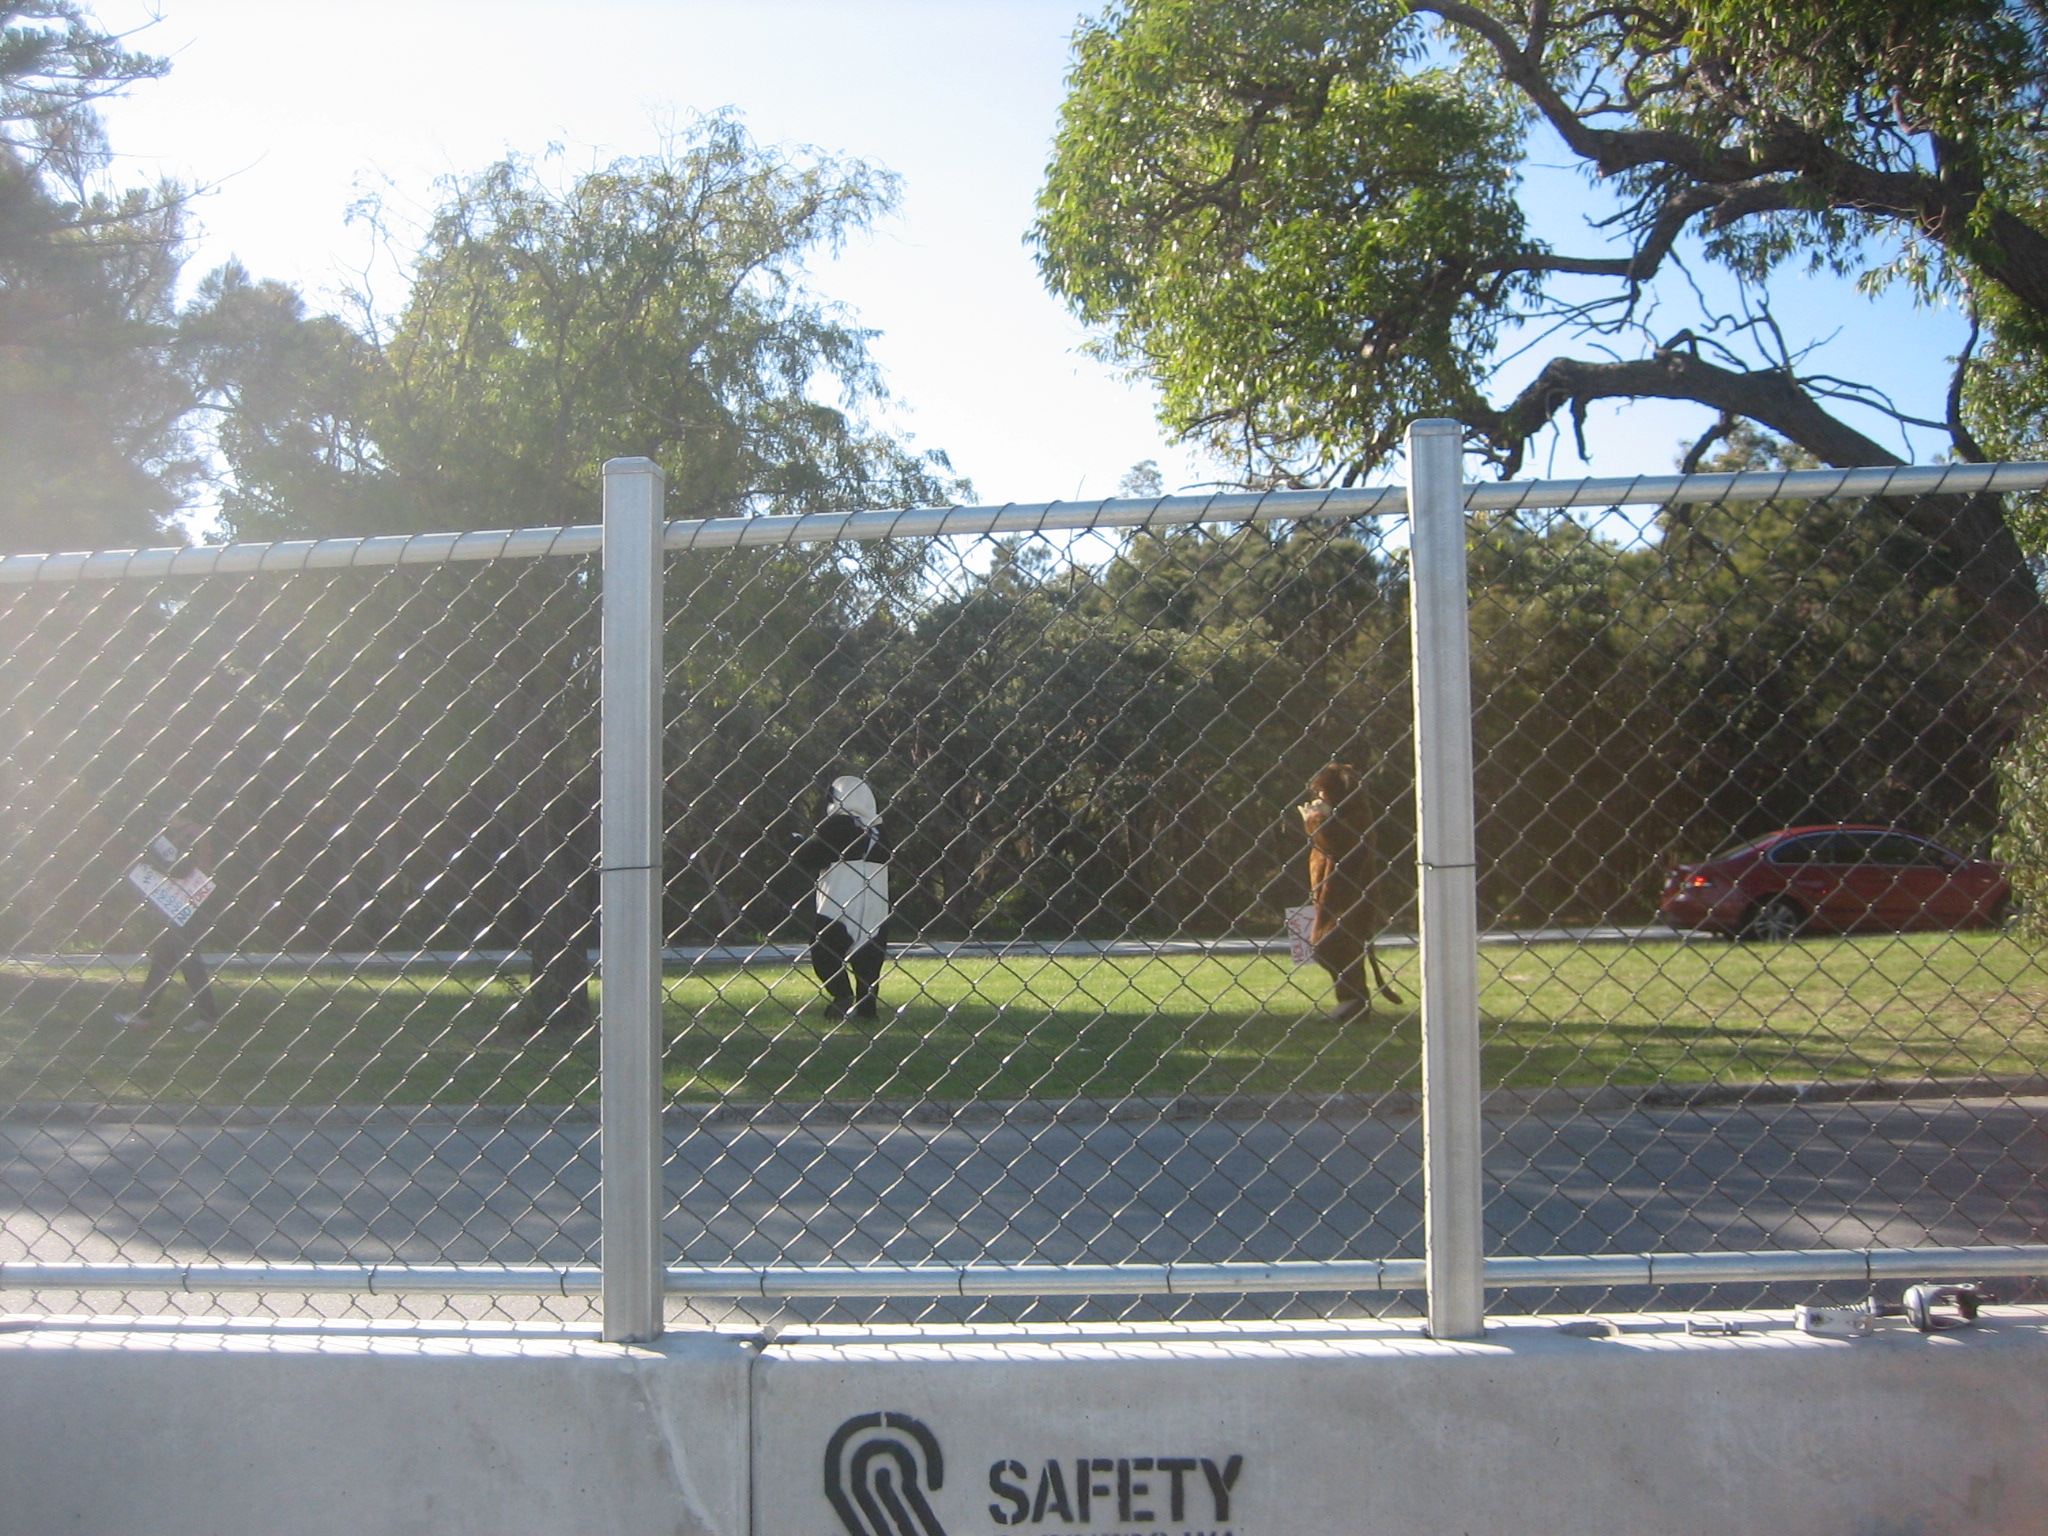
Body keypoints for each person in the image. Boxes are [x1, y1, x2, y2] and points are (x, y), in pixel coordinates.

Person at [1298, 762, 1399, 1023]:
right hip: (1329, 895)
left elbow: (1338, 845)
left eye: (1324, 792)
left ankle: (1353, 1000)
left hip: (1350, 895)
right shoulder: (1338, 814)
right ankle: (1351, 1001)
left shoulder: (1356, 816)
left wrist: (1316, 820)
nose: (1320, 797)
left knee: (1333, 945)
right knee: (1334, 947)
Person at [793, 774, 891, 1020]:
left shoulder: (836, 824)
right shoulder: (880, 830)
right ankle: (867, 1009)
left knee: (823, 951)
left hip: (839, 903)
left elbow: (809, 857)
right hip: (876, 908)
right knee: (869, 963)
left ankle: (842, 993)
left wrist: (796, 844)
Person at [116, 817, 222, 1033]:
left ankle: (208, 1016)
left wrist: (158, 865)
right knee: (163, 959)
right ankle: (143, 1015)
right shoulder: (169, 834)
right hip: (173, 903)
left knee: (188, 959)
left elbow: (191, 867)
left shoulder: (194, 832)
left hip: (189, 903)